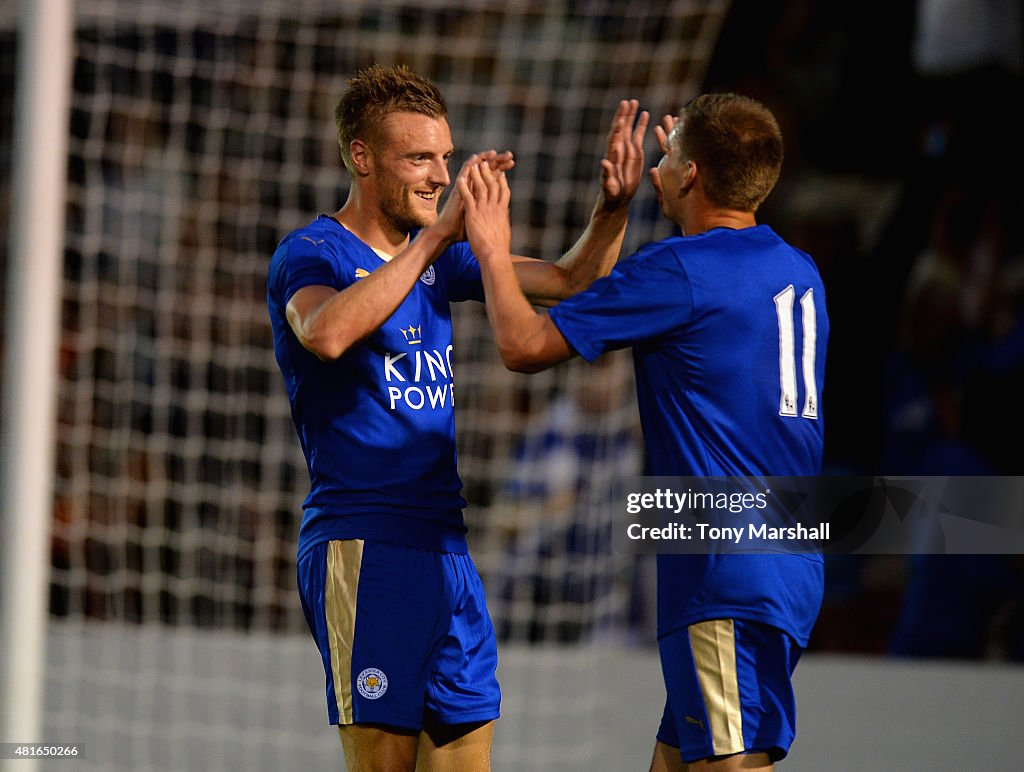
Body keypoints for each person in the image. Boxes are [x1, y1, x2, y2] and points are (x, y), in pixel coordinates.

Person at [265, 63, 648, 771]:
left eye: (445, 157)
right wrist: (436, 239)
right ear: (362, 158)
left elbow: (570, 281)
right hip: (365, 546)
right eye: (418, 157)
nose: (440, 175)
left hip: (449, 551)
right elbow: (324, 332)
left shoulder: (437, 258)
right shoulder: (312, 252)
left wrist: (614, 208)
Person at [457, 92, 828, 770]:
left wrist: (489, 245)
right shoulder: (798, 271)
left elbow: (522, 345)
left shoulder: (680, 271)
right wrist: (627, 201)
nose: (662, 150)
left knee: (729, 764)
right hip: (791, 558)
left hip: (722, 568)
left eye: (673, 148)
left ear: (690, 176)